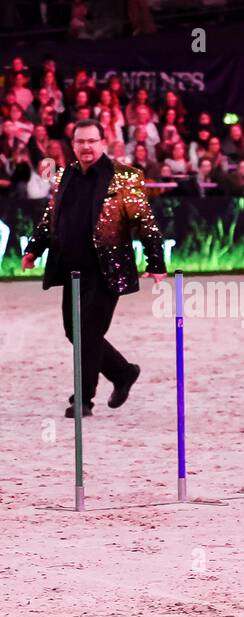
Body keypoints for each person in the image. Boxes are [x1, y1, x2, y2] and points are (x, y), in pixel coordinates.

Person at [22, 119, 167, 417]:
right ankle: (123, 372)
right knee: (74, 331)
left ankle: (83, 400)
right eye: (81, 141)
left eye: (92, 141)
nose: (86, 147)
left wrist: (156, 262)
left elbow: (145, 221)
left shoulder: (124, 177)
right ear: (73, 144)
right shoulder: (65, 176)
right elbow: (52, 215)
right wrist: (34, 248)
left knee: (87, 331)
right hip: (71, 270)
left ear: (103, 142)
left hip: (106, 270)